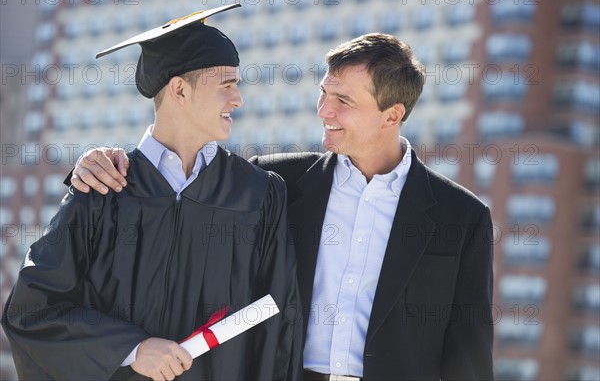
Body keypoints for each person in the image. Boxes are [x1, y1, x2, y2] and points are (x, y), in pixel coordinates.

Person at [67, 33, 494, 380]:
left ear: (391, 115)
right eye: (324, 93)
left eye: (343, 101)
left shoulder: (461, 217)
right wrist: (98, 160)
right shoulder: (275, 185)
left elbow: (469, 353)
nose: (323, 110)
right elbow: (179, 189)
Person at [2, 4, 302, 381]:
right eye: (227, 84)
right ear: (179, 89)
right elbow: (32, 312)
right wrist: (131, 349)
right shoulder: (101, 190)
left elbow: (280, 330)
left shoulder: (258, 196)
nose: (238, 99)